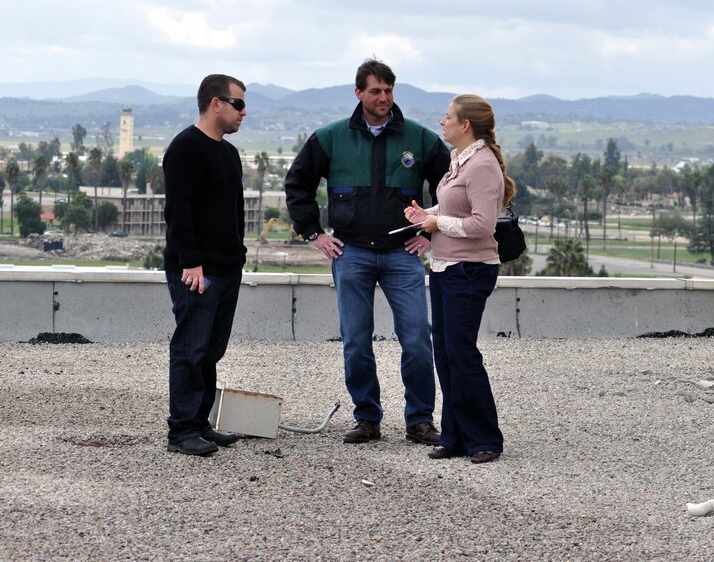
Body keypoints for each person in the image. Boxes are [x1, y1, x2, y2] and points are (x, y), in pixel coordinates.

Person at [285, 59, 451, 445]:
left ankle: (420, 420)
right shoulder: (330, 138)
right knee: (356, 341)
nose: (383, 98)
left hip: (402, 255)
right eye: (375, 91)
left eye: (389, 91)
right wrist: (314, 233)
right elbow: (298, 183)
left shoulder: (420, 138)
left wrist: (431, 235)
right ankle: (367, 418)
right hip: (352, 254)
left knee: (415, 339)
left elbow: (451, 190)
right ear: (358, 93)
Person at [404, 94, 513, 464]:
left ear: (465, 125)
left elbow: (482, 223)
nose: (442, 121)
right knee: (447, 354)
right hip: (445, 267)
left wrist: (437, 224)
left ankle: (485, 439)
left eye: (447, 116)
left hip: (469, 270)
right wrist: (426, 214)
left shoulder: (482, 164)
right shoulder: (459, 160)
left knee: (462, 354)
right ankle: (455, 436)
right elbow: (455, 207)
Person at [161, 74, 248, 456]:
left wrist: (238, 256)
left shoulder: (227, 153)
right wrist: (191, 263)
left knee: (211, 350)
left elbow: (234, 212)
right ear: (216, 103)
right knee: (190, 348)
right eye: (238, 104)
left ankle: (200, 423)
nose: (243, 113)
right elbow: (178, 212)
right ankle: (181, 431)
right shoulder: (185, 149)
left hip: (227, 268)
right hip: (197, 271)